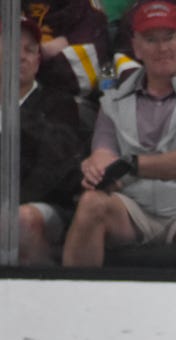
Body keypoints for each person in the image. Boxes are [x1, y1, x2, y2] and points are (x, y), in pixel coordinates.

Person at [61, 1, 176, 268]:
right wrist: (96, 169)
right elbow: (103, 156)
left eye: (170, 37)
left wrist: (131, 165)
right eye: (151, 39)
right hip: (130, 209)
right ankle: (75, 306)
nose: (162, 48)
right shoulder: (112, 101)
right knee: (91, 203)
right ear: (136, 46)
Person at [6, 15, 84, 265]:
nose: (21, 56)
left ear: (39, 60)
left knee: (22, 220)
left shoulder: (59, 104)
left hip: (45, 205)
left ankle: (42, 298)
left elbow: (56, 172)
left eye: (30, 50)